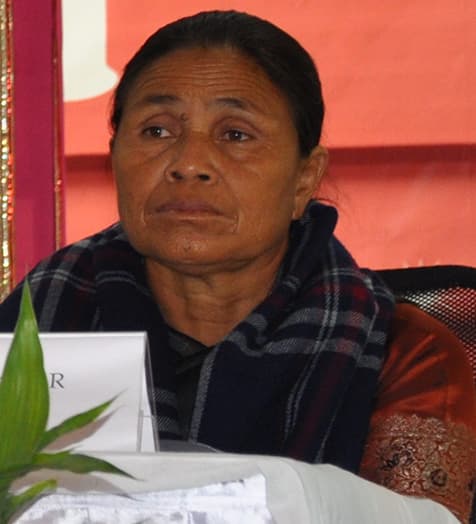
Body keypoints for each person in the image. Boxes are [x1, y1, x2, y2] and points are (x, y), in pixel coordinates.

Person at [0, 10, 475, 523]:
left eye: (236, 135)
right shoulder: (38, 323)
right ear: (115, 157)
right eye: (157, 130)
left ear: (304, 178)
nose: (189, 163)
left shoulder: (405, 355)